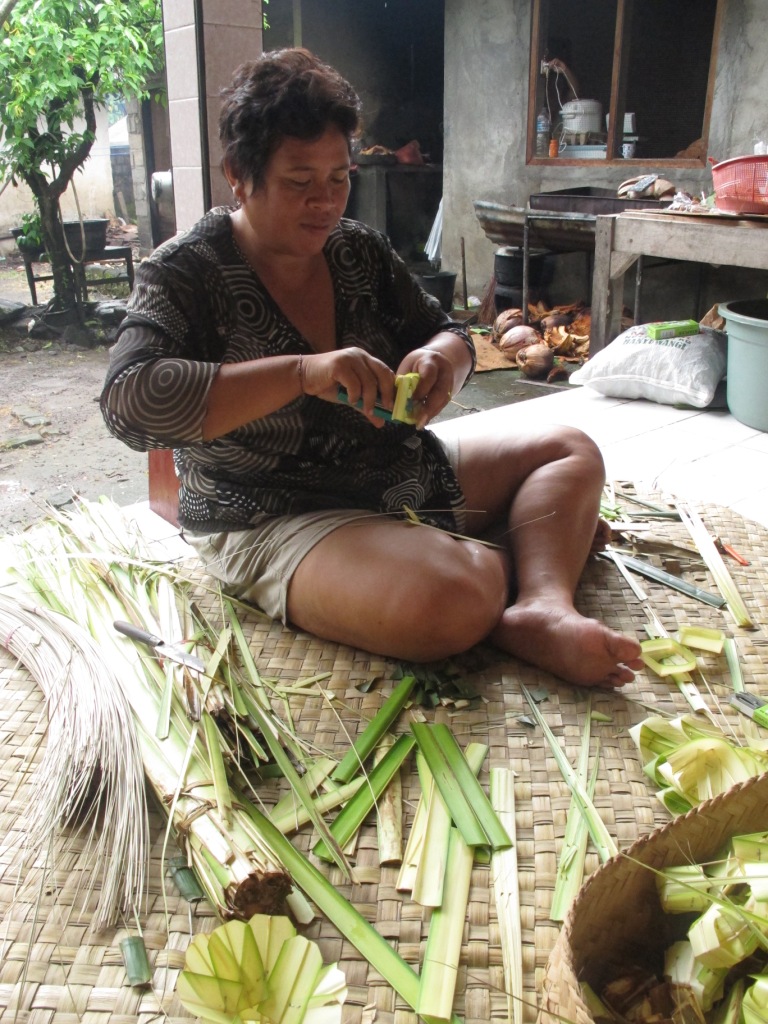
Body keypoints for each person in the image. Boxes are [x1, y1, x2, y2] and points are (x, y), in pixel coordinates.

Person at [101, 47, 643, 690]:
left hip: (391, 474)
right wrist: (300, 372)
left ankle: (542, 605)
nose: (325, 202)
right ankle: (520, 550)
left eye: (340, 177)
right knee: (454, 598)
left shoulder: (358, 250)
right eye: (300, 182)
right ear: (238, 176)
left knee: (568, 448)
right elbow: (129, 403)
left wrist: (444, 360)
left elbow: (450, 332)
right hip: (270, 515)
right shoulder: (184, 271)